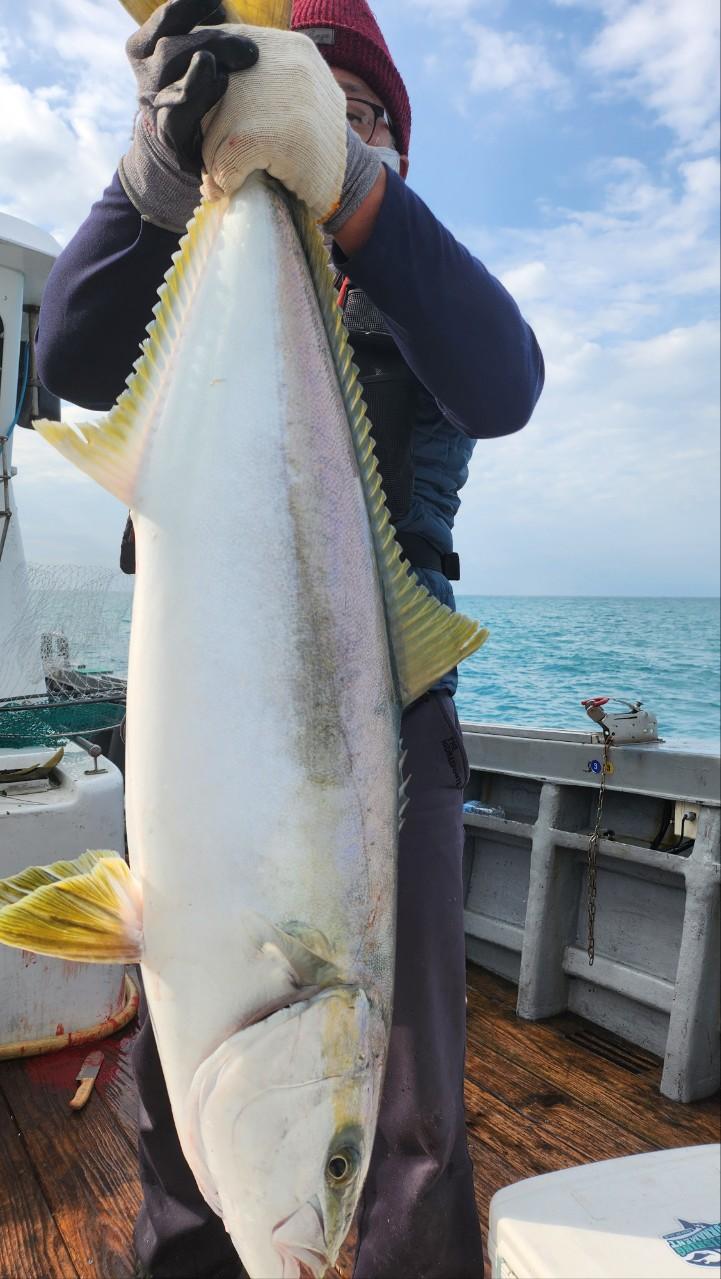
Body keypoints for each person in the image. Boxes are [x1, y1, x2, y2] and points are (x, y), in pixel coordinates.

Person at [36, 1, 544, 1275]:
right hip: (196, 721)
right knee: (174, 1072)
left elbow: (507, 381)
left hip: (381, 734)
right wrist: (161, 163)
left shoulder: (418, 280)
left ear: (394, 149)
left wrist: (351, 181)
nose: (339, 119)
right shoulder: (199, 247)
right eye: (325, 97)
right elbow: (69, 354)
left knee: (409, 1099)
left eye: (365, 111)